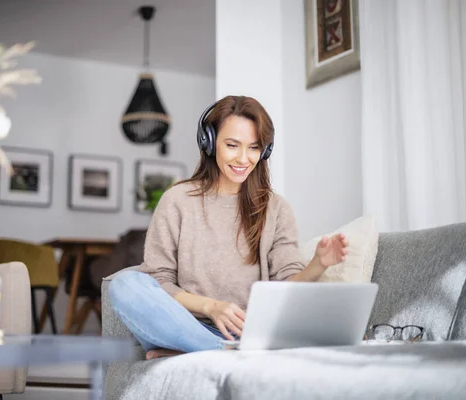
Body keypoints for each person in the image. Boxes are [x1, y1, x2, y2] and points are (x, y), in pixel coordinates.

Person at [109, 95, 349, 360]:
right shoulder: (177, 200)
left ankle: (195, 352)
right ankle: (219, 351)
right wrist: (212, 307)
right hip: (184, 325)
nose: (243, 158)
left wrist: (319, 263)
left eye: (254, 147)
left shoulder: (276, 209)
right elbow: (158, 281)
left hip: (250, 333)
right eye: (232, 145)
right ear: (210, 143)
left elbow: (286, 288)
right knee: (124, 285)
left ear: (265, 151)